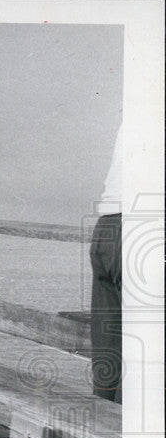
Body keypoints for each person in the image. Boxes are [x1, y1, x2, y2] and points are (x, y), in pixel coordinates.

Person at [90, 123, 123, 405]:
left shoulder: (132, 114)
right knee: (143, 356)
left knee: (107, 350)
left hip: (107, 226)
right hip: (138, 226)